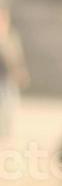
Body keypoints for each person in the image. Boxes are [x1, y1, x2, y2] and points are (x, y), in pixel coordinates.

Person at [0, 8, 27, 139]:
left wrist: (20, 72)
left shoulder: (10, 38)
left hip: (7, 79)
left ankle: (5, 133)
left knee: (9, 106)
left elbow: (16, 58)